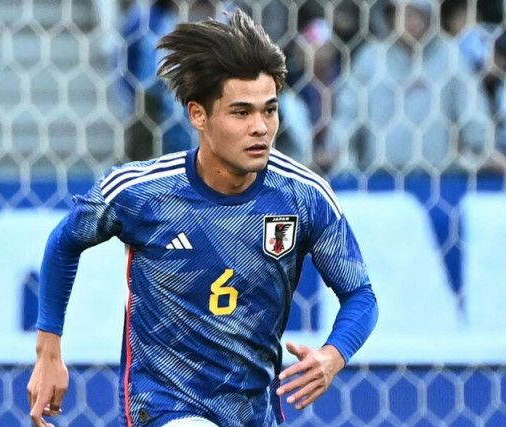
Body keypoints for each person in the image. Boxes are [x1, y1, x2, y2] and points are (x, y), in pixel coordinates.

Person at [28, 9, 377, 427]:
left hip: (253, 413)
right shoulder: (142, 192)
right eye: (241, 112)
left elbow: (361, 296)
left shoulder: (304, 196)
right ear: (198, 115)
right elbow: (65, 242)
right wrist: (48, 351)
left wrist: (333, 355)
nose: (260, 128)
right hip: (163, 407)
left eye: (269, 110)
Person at [327, 0, 492, 173]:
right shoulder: (370, 58)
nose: (409, 21)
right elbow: (347, 113)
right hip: (379, 177)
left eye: (415, 14)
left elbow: (473, 112)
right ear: (389, 17)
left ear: (429, 16)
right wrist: (339, 151)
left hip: (439, 176)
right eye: (402, 14)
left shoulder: (451, 56)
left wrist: (482, 149)